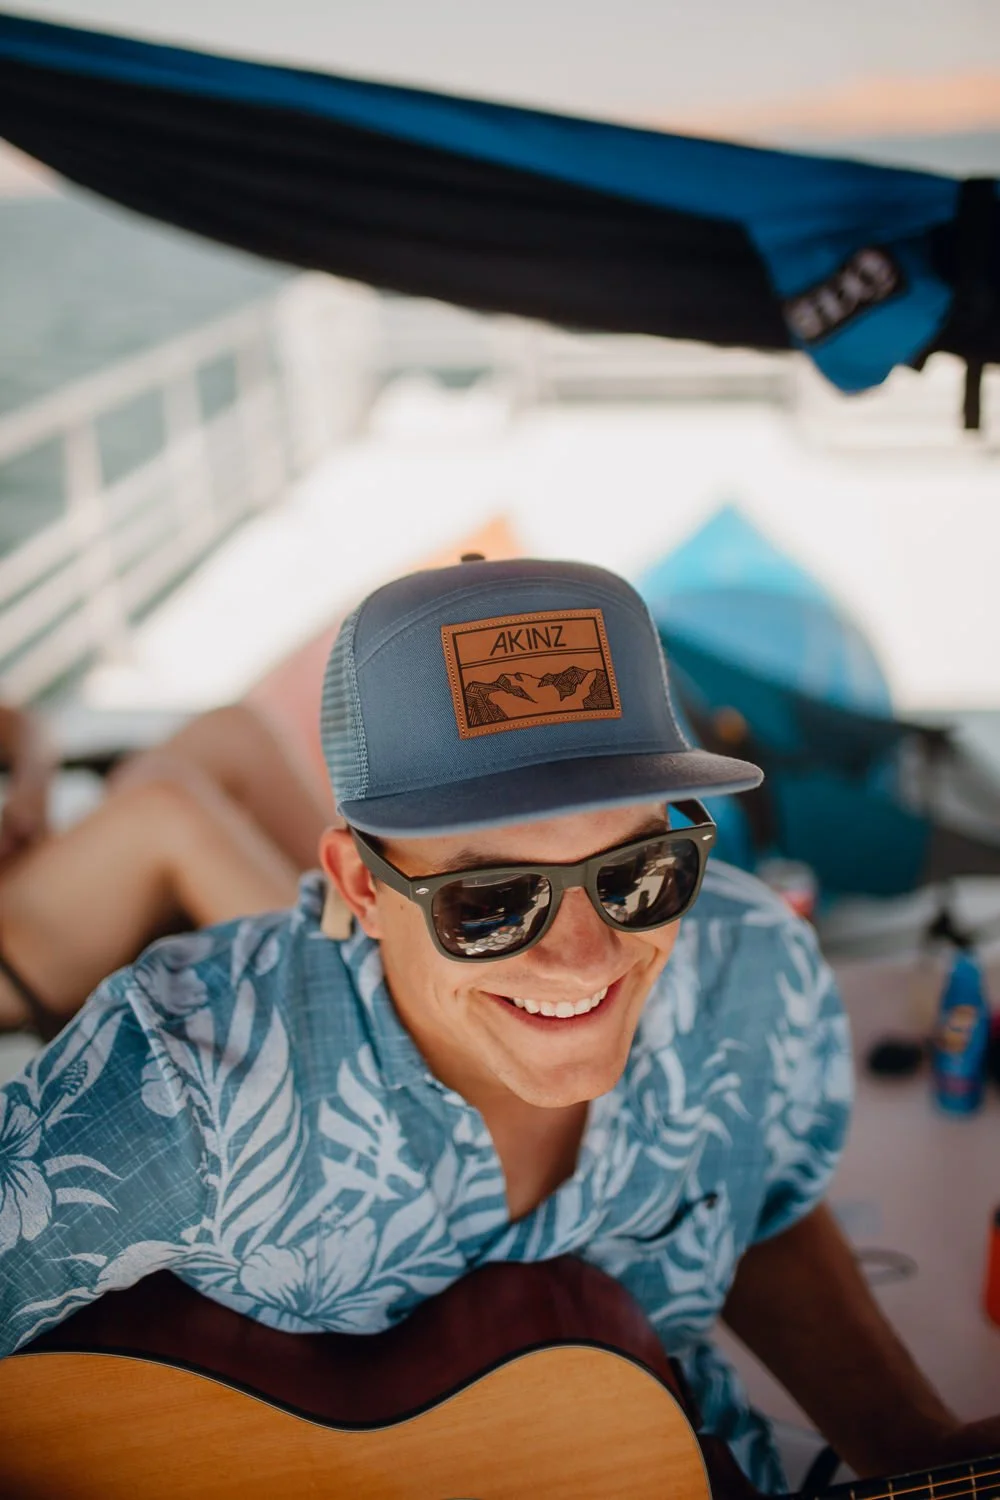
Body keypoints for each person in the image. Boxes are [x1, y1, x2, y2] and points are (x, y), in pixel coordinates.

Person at [0, 555, 997, 1489]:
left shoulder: (755, 971)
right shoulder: (182, 1082)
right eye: (491, 902)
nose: (587, 957)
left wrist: (908, 1442)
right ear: (360, 883)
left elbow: (756, 1204)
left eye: (637, 874)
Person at [0, 702, 330, 1038]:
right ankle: (336, 1002)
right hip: (13, 943)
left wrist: (29, 790)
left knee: (232, 733)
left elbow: (21, 726)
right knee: (162, 811)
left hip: (30, 863)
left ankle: (355, 909)